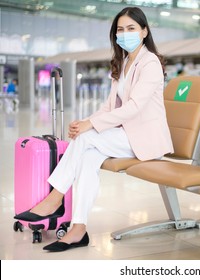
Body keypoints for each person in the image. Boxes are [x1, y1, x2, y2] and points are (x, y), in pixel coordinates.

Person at [14, 7, 174, 252]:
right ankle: (78, 229)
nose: (125, 33)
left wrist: (90, 126)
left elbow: (134, 107)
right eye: (120, 29)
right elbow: (109, 106)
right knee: (87, 156)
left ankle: (53, 199)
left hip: (145, 139)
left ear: (144, 31)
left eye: (131, 28)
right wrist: (85, 121)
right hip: (125, 135)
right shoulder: (123, 62)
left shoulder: (149, 62)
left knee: (88, 136)